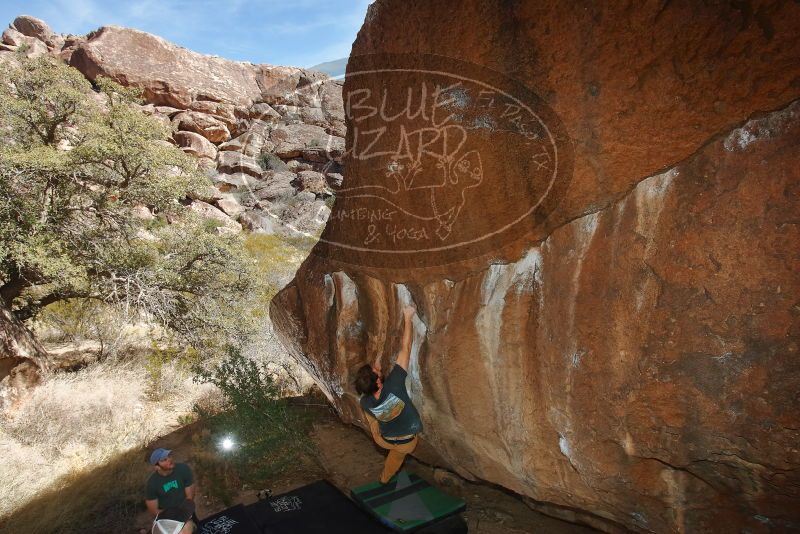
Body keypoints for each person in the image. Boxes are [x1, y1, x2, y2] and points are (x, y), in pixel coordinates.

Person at [355, 304, 423, 484]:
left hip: (384, 440)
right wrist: (407, 317)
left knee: (372, 416)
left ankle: (385, 479)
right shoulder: (394, 384)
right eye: (376, 371)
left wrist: (376, 368)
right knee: (398, 455)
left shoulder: (365, 401)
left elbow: (371, 385)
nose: (377, 368)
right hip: (407, 442)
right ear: (378, 382)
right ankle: (385, 478)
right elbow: (406, 348)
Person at [145, 448, 196, 534]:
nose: (169, 459)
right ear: (157, 467)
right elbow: (154, 510)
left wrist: (184, 514)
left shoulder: (183, 469)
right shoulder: (152, 483)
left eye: (169, 456)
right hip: (167, 517)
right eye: (164, 460)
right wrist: (172, 519)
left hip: (186, 509)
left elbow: (190, 496)